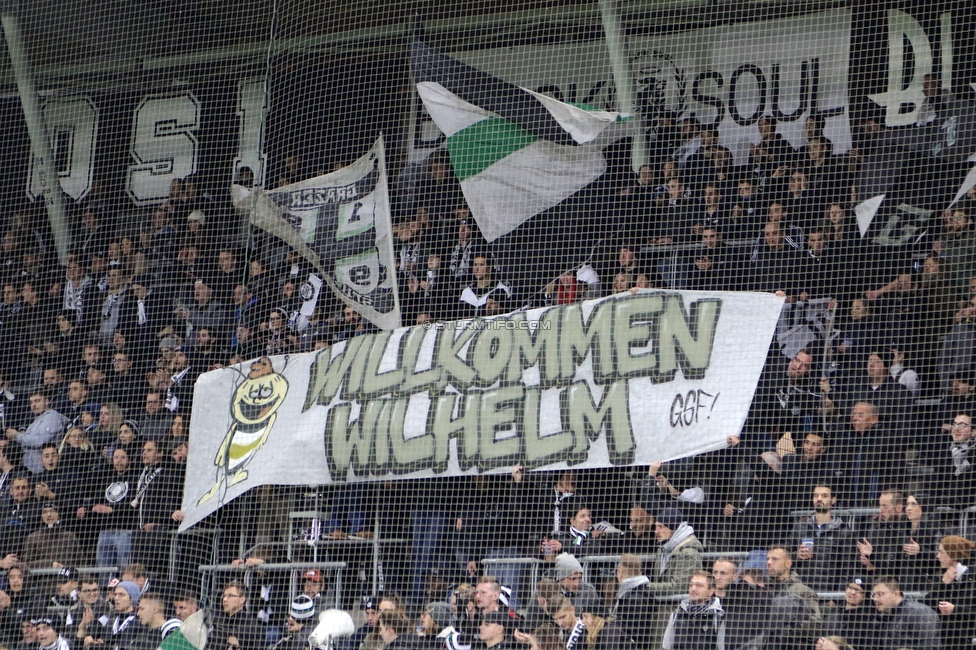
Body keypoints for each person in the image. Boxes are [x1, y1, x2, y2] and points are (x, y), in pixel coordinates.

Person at [790, 485, 854, 592]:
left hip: (828, 596)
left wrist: (836, 598)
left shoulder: (843, 532)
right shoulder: (799, 527)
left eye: (824, 496)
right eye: (816, 496)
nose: (819, 499)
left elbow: (847, 568)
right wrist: (797, 555)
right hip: (801, 594)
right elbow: (785, 556)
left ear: (833, 500)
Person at [921, 536, 976, 650]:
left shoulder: (973, 577)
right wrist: (943, 584)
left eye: (941, 552)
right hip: (944, 640)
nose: (937, 556)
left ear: (953, 553)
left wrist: (955, 610)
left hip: (967, 640)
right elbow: (926, 605)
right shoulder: (942, 575)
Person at [870, 576, 939, 650]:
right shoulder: (884, 617)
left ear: (896, 594)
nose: (875, 599)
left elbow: (931, 645)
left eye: (880, 594)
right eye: (873, 595)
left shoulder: (918, 612)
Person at [662, 572, 726, 650]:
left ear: (711, 590)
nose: (693, 589)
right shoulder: (677, 614)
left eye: (699, 585)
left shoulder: (718, 617)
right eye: (691, 585)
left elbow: (722, 647)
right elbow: (666, 646)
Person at [612, 554, 653, 649]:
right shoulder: (636, 592)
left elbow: (634, 635)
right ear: (639, 572)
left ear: (620, 573)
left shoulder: (634, 598)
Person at [821, 578, 874, 650]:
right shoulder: (831, 614)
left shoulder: (868, 621)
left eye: (858, 590)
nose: (852, 592)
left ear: (865, 595)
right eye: (850, 587)